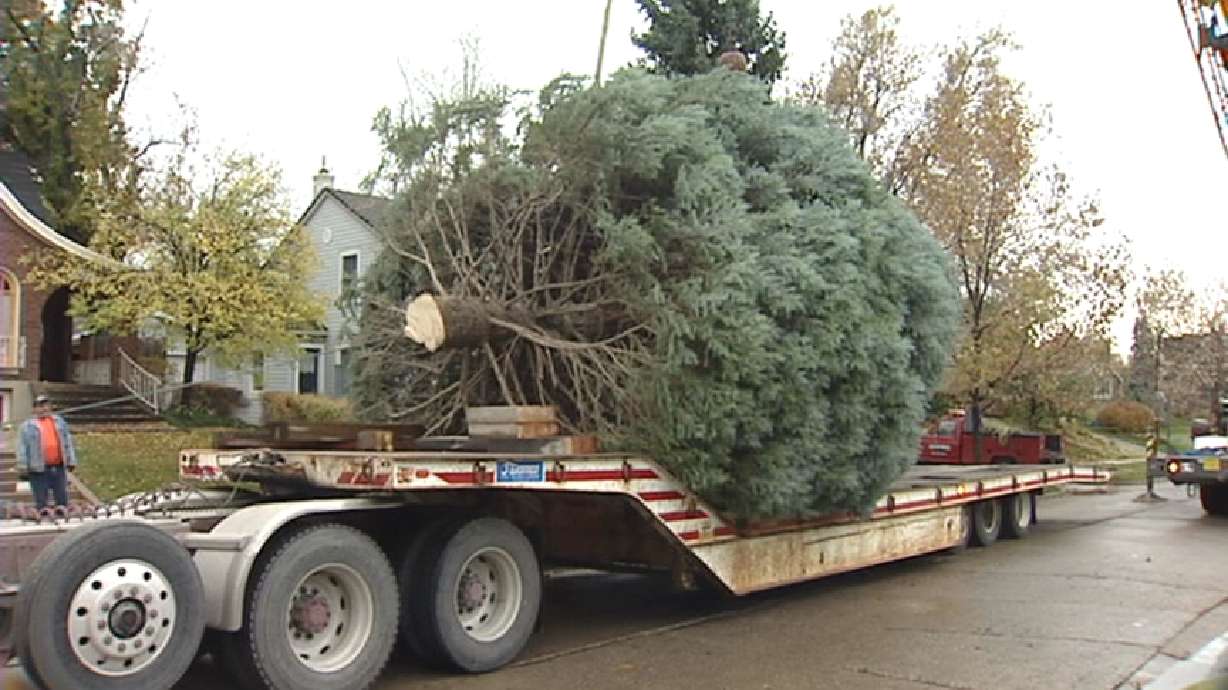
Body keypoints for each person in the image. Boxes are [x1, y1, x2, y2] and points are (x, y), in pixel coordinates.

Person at [16, 394, 77, 510]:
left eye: (46, 406)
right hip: (38, 468)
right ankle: (42, 515)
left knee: (62, 498)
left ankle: (62, 516)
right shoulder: (27, 426)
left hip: (58, 467)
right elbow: (22, 447)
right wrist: (22, 465)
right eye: (40, 406)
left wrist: (71, 459)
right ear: (34, 409)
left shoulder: (59, 422)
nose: (44, 409)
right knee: (41, 500)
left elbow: (67, 441)